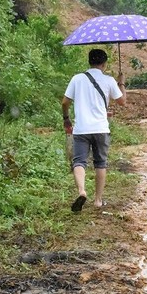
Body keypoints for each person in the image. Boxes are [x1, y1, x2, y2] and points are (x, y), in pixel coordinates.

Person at [62, 48, 126, 212]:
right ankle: (98, 200)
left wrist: (66, 118)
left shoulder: (77, 79)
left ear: (89, 61)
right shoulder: (109, 80)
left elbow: (65, 102)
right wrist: (121, 82)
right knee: (100, 164)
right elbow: (122, 102)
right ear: (104, 64)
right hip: (100, 129)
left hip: (81, 129)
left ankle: (82, 191)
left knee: (79, 162)